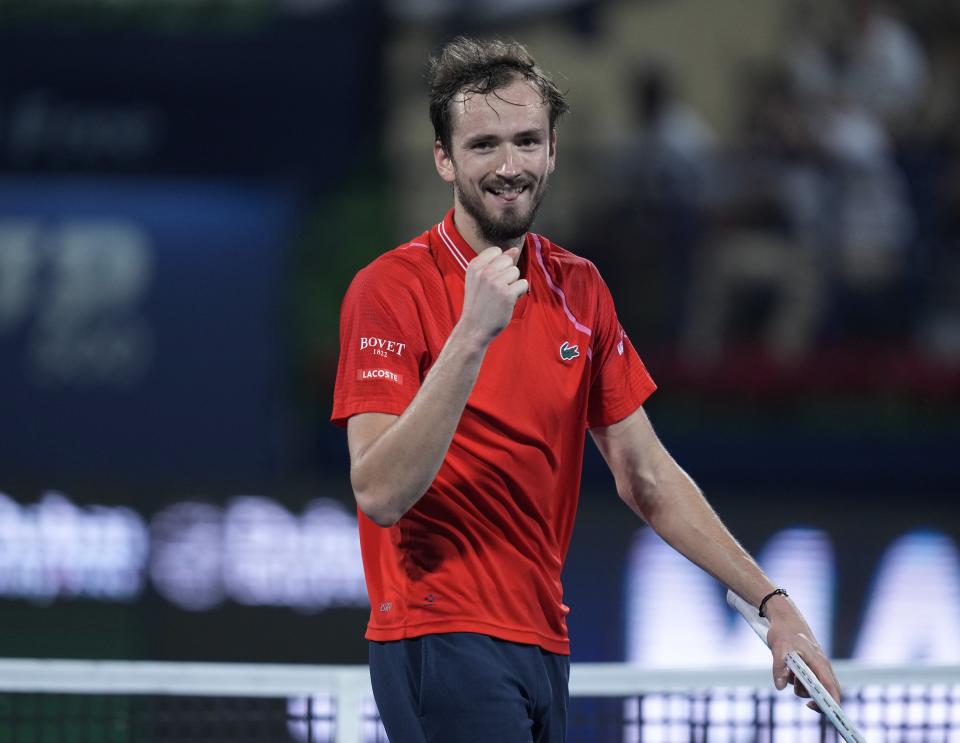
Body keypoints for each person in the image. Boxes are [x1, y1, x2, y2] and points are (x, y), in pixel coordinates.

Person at [331, 36, 842, 743]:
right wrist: (470, 336)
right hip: (439, 636)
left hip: (544, 644)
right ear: (444, 158)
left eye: (527, 141)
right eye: (484, 145)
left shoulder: (581, 288)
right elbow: (380, 491)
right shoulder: (389, 288)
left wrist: (772, 601)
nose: (509, 166)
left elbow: (647, 475)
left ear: (552, 152)